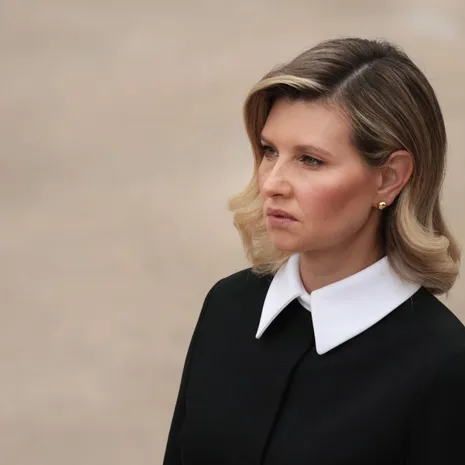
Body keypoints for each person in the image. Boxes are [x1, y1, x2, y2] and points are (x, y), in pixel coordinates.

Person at [162, 38, 465, 465]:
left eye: (310, 160)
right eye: (270, 151)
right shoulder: (228, 306)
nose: (272, 183)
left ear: (389, 178)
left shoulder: (445, 368)